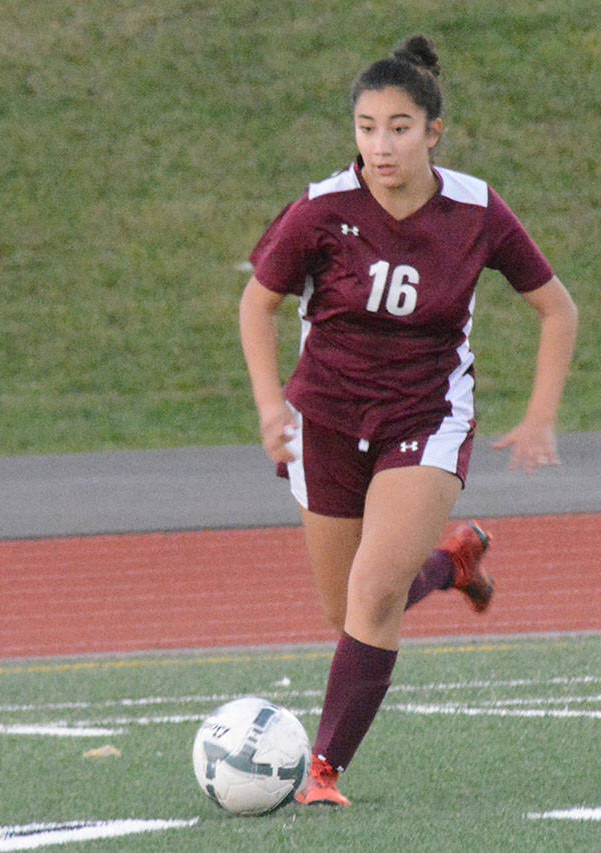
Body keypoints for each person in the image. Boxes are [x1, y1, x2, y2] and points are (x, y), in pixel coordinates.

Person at [239, 35, 577, 806]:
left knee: (372, 593)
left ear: (433, 132)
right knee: (350, 607)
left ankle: (321, 770)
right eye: (365, 127)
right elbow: (256, 304)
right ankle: (453, 563)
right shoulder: (322, 208)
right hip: (324, 419)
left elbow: (557, 309)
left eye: (397, 126)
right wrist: (268, 407)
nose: (379, 145)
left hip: (426, 417)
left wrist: (539, 417)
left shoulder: (476, 208)